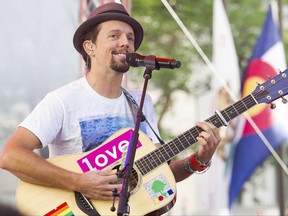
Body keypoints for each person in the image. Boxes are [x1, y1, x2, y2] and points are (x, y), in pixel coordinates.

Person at [0, 2, 221, 215]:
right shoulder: (62, 100)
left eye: (130, 38)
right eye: (114, 36)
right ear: (90, 47)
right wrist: (80, 182)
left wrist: (199, 160)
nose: (125, 42)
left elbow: (154, 174)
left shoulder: (141, 102)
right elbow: (11, 156)